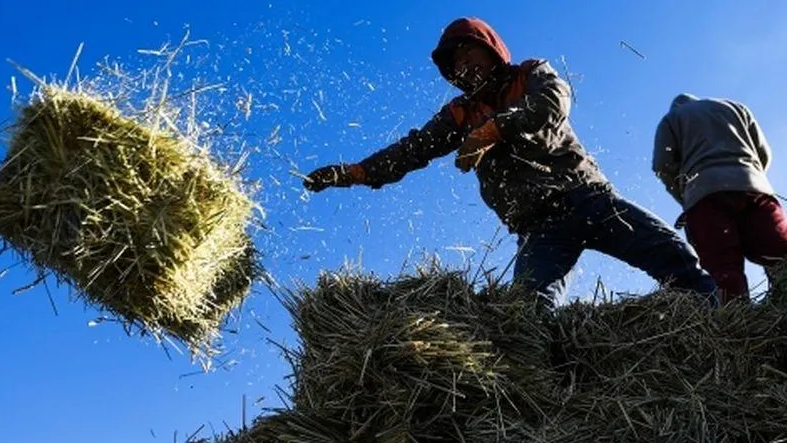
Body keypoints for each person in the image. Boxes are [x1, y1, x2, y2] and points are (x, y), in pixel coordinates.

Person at [304, 17, 716, 306]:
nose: (464, 67)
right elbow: (413, 149)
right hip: (538, 225)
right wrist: (356, 172)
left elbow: (553, 103)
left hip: (587, 197)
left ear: (490, 49)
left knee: (672, 255)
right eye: (455, 64)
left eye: (468, 53)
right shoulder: (459, 113)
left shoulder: (530, 73)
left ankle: (729, 324)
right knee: (527, 313)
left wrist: (493, 131)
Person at [653, 93, 787, 303]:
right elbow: (764, 153)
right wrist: (751, 175)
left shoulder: (672, 119)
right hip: (755, 188)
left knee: (723, 269)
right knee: (779, 254)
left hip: (705, 196)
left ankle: (736, 319)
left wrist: (686, 196)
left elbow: (662, 165)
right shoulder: (735, 108)